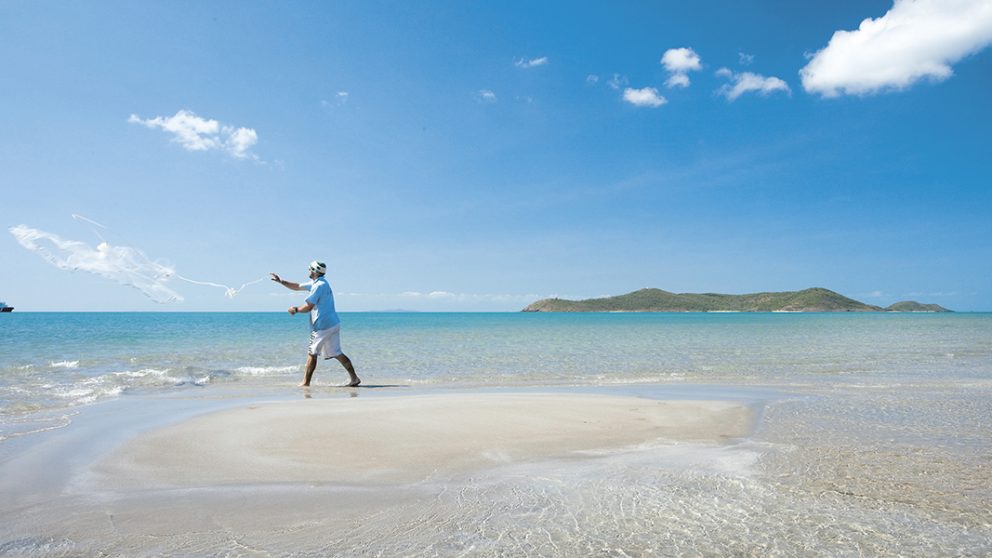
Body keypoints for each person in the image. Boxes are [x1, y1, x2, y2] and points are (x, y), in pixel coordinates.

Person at [270, 261, 360, 387]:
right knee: (337, 353)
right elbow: (297, 286)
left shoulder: (319, 286)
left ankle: (306, 383)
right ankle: (354, 378)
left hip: (322, 326)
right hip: (333, 323)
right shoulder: (318, 283)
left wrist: (295, 309)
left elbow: (308, 307)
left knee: (312, 353)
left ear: (314, 271)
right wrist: (281, 281)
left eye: (309, 269)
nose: (308, 270)